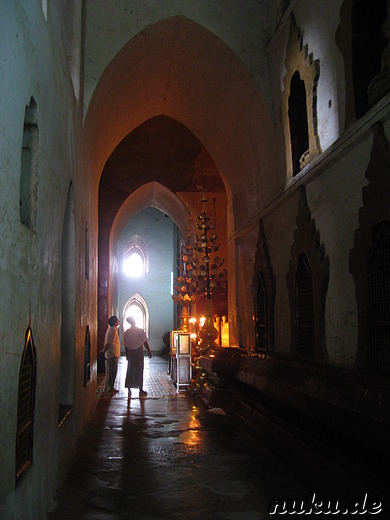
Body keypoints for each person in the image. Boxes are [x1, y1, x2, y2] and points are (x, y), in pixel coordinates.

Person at [123, 316, 152, 398]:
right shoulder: (140, 331)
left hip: (131, 352)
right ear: (134, 321)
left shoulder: (126, 332)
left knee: (130, 369)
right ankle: (140, 389)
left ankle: (129, 388)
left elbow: (126, 345)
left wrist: (127, 354)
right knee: (139, 370)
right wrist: (149, 351)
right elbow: (145, 342)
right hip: (139, 352)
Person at [103, 315, 121, 392]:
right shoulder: (112, 330)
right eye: (117, 320)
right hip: (111, 354)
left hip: (113, 353)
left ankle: (108, 387)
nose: (118, 321)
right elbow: (109, 343)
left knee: (110, 371)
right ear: (114, 322)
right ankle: (109, 388)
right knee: (111, 372)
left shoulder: (112, 329)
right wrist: (103, 351)